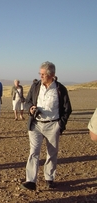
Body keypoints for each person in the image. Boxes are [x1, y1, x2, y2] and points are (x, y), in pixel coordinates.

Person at [20, 61, 72, 191]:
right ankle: (31, 180)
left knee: (52, 152)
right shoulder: (36, 86)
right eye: (40, 73)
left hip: (53, 125)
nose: (41, 76)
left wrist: (61, 124)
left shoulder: (60, 89)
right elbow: (27, 102)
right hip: (36, 124)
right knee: (34, 152)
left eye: (43, 74)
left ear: (52, 74)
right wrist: (30, 109)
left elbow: (67, 109)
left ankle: (49, 178)